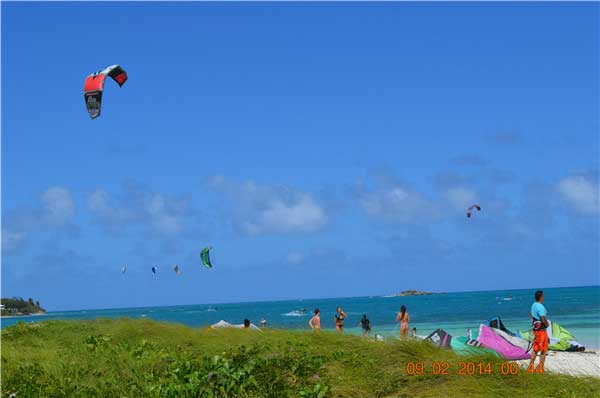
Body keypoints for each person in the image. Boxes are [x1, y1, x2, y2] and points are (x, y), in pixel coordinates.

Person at [528, 290, 549, 372]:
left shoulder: (533, 305)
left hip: (535, 330)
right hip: (541, 331)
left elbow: (530, 315)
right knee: (543, 349)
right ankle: (541, 368)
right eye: (543, 296)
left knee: (535, 349)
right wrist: (547, 324)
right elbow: (543, 318)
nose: (544, 297)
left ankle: (531, 367)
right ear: (541, 297)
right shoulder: (540, 306)